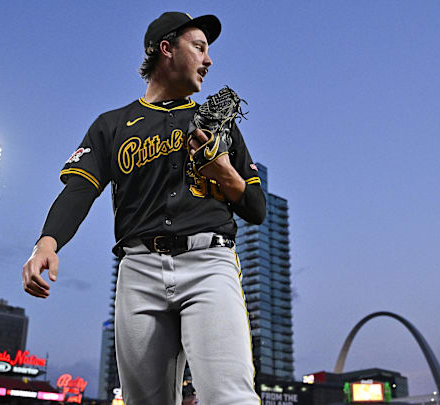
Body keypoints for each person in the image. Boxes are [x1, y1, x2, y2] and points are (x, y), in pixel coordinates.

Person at [22, 11, 265, 405]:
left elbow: (256, 208)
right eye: (199, 47)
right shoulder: (112, 125)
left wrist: (224, 171)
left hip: (209, 264)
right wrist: (46, 244)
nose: (209, 60)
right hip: (139, 270)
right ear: (166, 49)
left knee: (230, 397)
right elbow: (79, 190)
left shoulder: (218, 125)